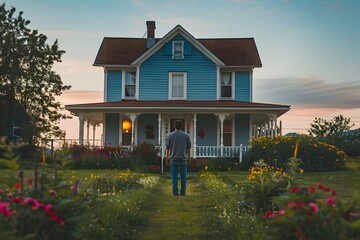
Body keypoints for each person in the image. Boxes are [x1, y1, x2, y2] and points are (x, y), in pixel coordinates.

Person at [166, 120, 191, 196]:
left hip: (173, 159)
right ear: (182, 126)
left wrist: (167, 158)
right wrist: (189, 158)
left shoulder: (170, 135)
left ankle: (175, 192)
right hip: (183, 159)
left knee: (174, 178)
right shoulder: (186, 136)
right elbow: (188, 148)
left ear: (174, 126)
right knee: (183, 177)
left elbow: (167, 148)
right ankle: (183, 193)